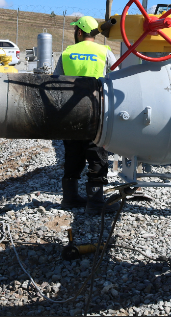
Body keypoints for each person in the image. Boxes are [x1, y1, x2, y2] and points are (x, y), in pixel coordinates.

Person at [53, 16, 119, 214]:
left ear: (79, 32)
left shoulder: (67, 52)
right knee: (96, 154)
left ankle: (70, 198)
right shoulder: (104, 52)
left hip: (69, 112)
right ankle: (95, 203)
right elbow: (117, 78)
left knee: (73, 153)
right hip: (96, 111)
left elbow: (55, 81)